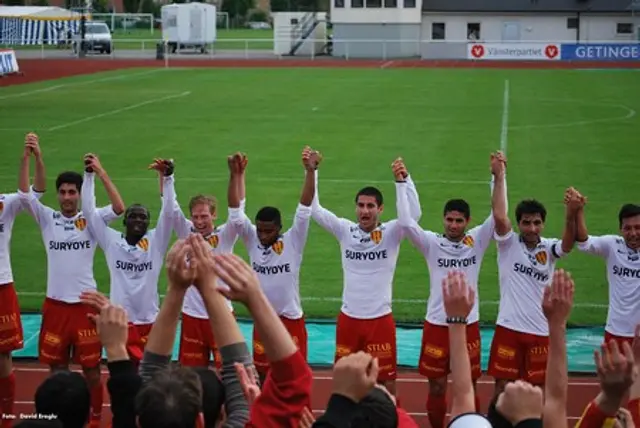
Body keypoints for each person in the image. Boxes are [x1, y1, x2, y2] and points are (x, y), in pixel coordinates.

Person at [395, 152, 507, 428]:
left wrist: (498, 178)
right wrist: (402, 183)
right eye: (449, 220)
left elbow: (498, 215)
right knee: (436, 387)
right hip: (436, 324)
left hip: (468, 324)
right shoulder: (431, 243)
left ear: (467, 221)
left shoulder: (477, 240)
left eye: (459, 221)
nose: (453, 225)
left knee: (466, 387)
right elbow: (407, 223)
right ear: (443, 219)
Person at [18, 138, 125, 428]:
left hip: (84, 307)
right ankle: (59, 420)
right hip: (55, 307)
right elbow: (26, 194)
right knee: (57, 371)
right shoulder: (47, 217)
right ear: (58, 195)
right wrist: (34, 157)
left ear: (79, 194)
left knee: (91, 371)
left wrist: (100, 172)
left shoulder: (90, 219)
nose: (67, 197)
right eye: (63, 192)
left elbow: (118, 208)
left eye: (72, 192)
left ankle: (92, 420)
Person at [310, 152, 422, 395]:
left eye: (371, 206)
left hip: (380, 320)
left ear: (380, 208)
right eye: (361, 205)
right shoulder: (345, 230)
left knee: (386, 384)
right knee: (343, 381)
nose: (365, 211)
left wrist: (404, 180)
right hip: (349, 319)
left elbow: (413, 217)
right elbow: (315, 211)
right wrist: (312, 171)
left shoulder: (393, 231)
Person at [227, 146, 319, 380]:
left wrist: (310, 171)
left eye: (268, 231)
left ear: (279, 228)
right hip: (263, 318)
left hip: (291, 320)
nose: (262, 235)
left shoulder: (294, 240)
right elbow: (236, 213)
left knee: (295, 375)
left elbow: (305, 208)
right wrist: (235, 176)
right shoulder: (251, 239)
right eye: (259, 230)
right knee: (263, 373)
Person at [487, 179, 580, 396]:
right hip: (509, 328)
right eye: (526, 223)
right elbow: (500, 217)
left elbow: (567, 244)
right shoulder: (507, 244)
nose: (532, 228)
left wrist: (571, 213)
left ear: (543, 224)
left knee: (537, 390)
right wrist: (498, 176)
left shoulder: (548, 248)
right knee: (502, 388)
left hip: (540, 331)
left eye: (537, 223)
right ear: (518, 223)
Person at [80, 154, 175, 362]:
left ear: (149, 223)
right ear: (124, 221)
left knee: (151, 376)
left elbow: (168, 212)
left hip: (150, 321)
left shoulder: (156, 242)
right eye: (133, 216)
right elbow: (88, 211)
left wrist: (168, 179)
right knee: (123, 375)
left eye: (143, 217)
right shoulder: (112, 242)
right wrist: (90, 175)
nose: (138, 220)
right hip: (120, 323)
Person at [170, 153, 247, 370]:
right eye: (195, 216)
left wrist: (237, 176)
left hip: (220, 315)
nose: (199, 221)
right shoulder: (186, 231)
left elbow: (237, 210)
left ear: (214, 215)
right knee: (191, 375)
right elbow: (170, 206)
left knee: (231, 373)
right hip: (192, 316)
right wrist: (167, 178)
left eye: (204, 216)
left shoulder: (226, 234)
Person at [0, 134, 45, 428]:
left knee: (3, 354)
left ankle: (5, 416)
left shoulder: (5, 203)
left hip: (2, 284)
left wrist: (33, 158)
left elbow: (35, 192)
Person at [574, 197, 640, 348]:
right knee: (613, 372)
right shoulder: (612, 245)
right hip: (615, 332)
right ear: (620, 229)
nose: (633, 233)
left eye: (638, 227)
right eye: (628, 228)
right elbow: (584, 243)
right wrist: (578, 210)